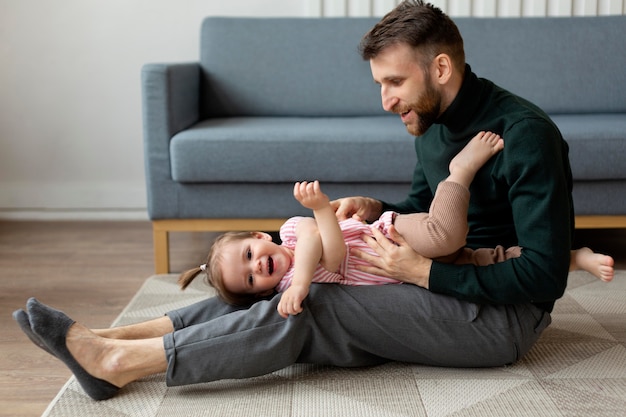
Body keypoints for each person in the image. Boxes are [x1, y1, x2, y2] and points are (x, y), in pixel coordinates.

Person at [12, 0, 616, 402]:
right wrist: (374, 210)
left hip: (501, 321)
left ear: (439, 67)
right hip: (437, 279)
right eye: (379, 84)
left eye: (393, 83)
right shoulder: (430, 123)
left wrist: (422, 271)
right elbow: (421, 205)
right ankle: (121, 339)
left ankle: (123, 366)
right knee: (286, 284)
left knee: (315, 303)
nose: (384, 101)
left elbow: (544, 276)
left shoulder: (526, 135)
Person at [179, 132, 613, 318]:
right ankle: (573, 258)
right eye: (251, 279)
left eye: (251, 256)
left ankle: (458, 172)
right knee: (483, 262)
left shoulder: (294, 236)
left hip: (394, 234)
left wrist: (319, 221)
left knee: (447, 236)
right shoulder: (285, 288)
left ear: (259, 237)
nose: (259, 268)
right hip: (404, 270)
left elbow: (326, 248)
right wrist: (292, 289)